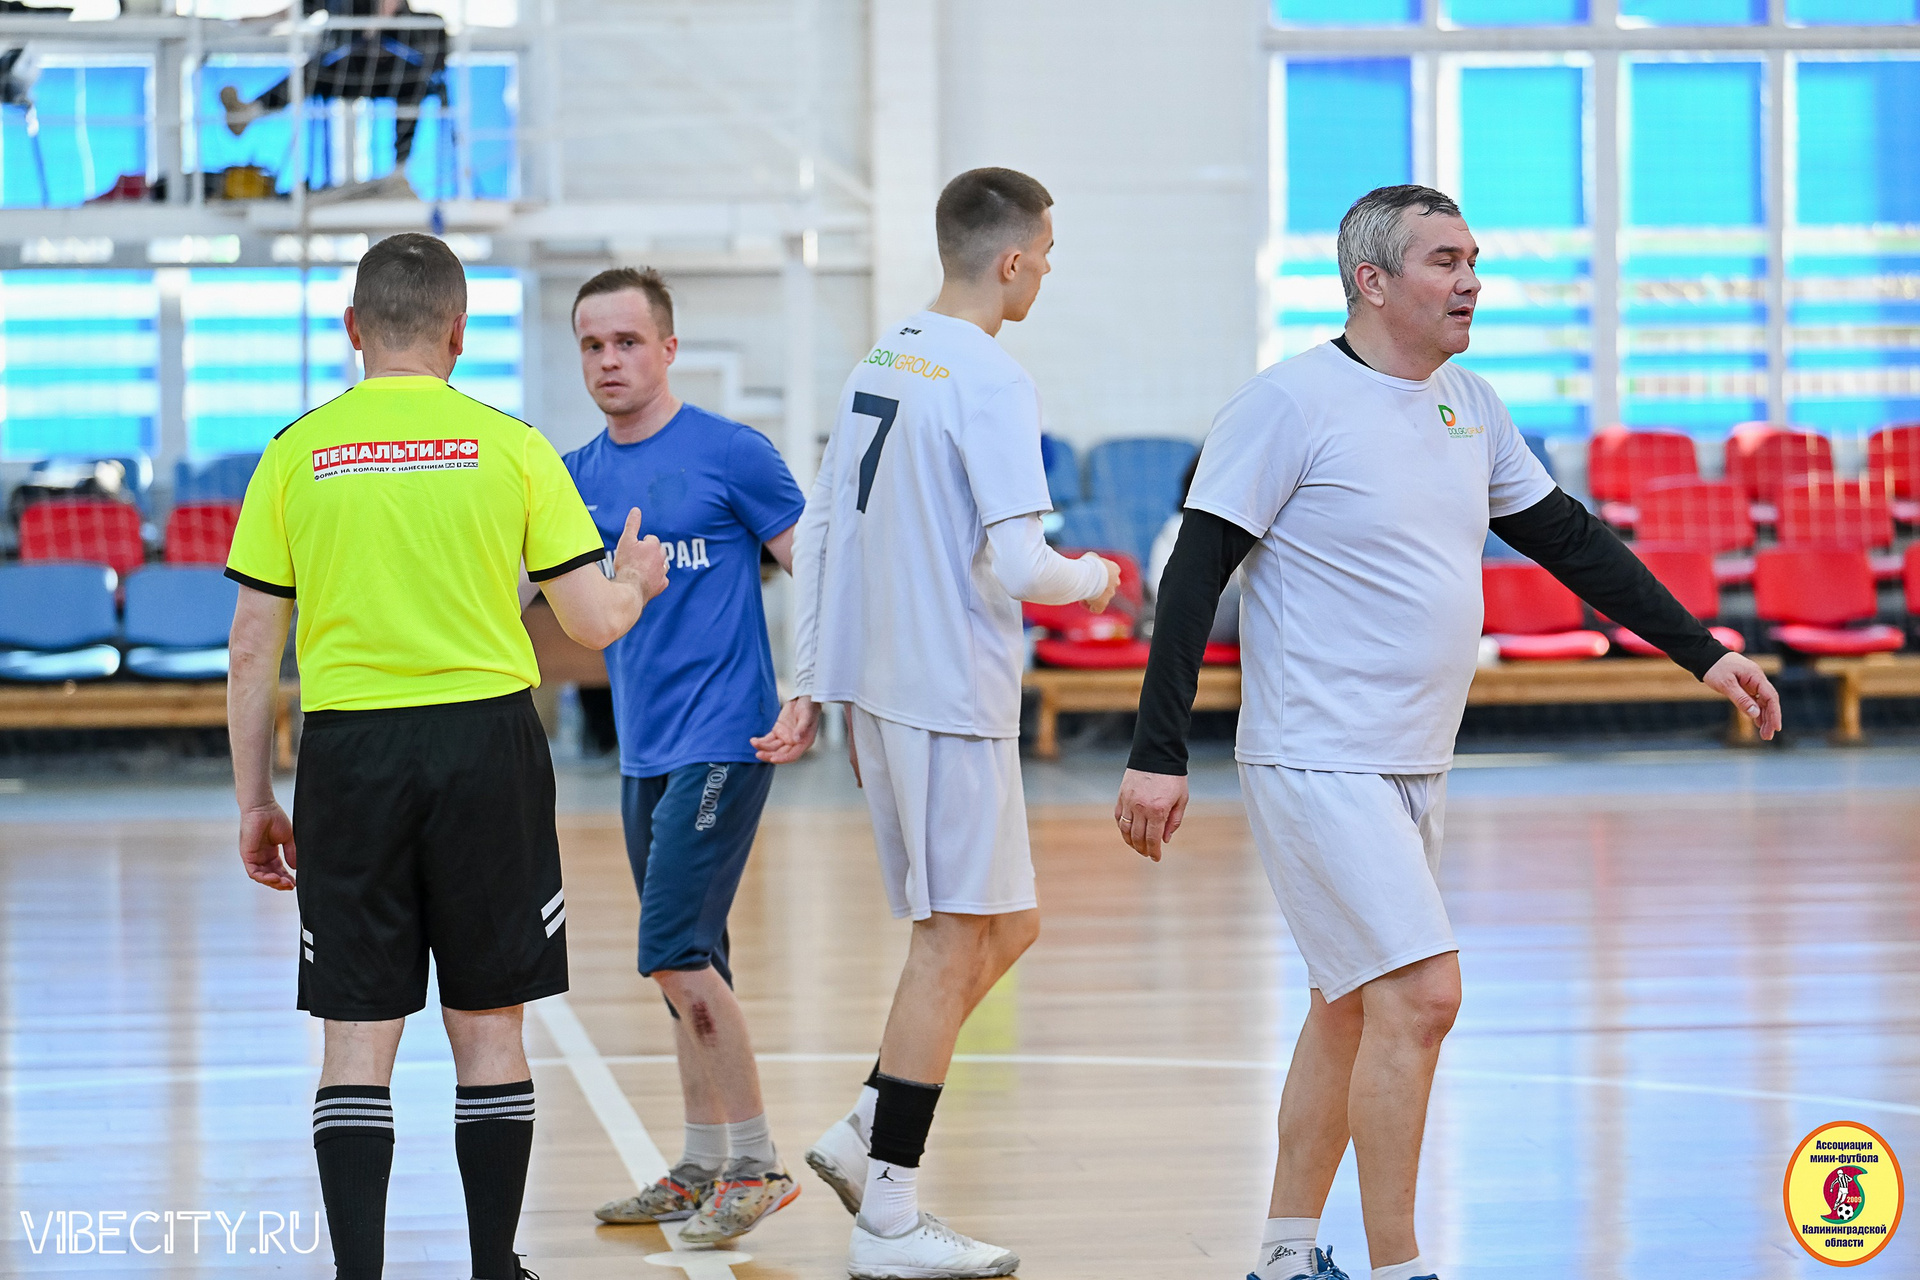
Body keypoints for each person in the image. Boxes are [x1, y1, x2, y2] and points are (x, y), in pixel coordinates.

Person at [1113, 185, 1782, 1280]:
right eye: (1444, 261)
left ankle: (1282, 1257)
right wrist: (1157, 750)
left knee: (1349, 1006)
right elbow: (1195, 573)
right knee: (1424, 994)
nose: (1471, 280)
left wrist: (1703, 651)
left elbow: (1568, 538)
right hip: (1317, 755)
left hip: (1415, 759)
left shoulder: (1470, 402)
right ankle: (1401, 1266)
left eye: (1473, 259)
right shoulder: (1287, 404)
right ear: (1371, 281)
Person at [224, 233, 668, 1280]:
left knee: (355, 1035)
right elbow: (592, 621)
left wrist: (255, 799)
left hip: (350, 754)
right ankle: (492, 1267)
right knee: (489, 1027)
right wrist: (637, 581)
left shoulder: (296, 450)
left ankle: (359, 1274)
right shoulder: (513, 447)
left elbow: (250, 647)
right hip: (486, 751)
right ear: (460, 333)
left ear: (353, 329)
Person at [753, 167, 1121, 1280]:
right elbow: (1025, 565)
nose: (1047, 269)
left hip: (884, 686)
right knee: (952, 936)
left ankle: (868, 1126)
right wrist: (1100, 577)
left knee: (1009, 924)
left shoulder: (887, 352)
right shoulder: (992, 376)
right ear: (1010, 258)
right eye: (1045, 253)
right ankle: (890, 1215)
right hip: (946, 692)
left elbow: (821, 531)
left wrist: (815, 679)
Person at [560, 267, 808, 1243]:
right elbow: (548, 608)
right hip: (643, 752)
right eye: (592, 345)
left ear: (667, 348)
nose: (609, 361)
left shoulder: (732, 453)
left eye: (627, 341)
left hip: (726, 738)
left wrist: (812, 687)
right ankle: (704, 1160)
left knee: (671, 951)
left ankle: (756, 1163)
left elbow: (817, 568)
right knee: (692, 962)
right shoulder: (573, 476)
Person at [220, 0, 446, 201]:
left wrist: (376, 24)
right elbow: (296, 10)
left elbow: (390, 7)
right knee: (309, 73)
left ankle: (399, 174)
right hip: (344, 68)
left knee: (414, 84)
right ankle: (249, 111)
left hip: (392, 68)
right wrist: (254, 21)